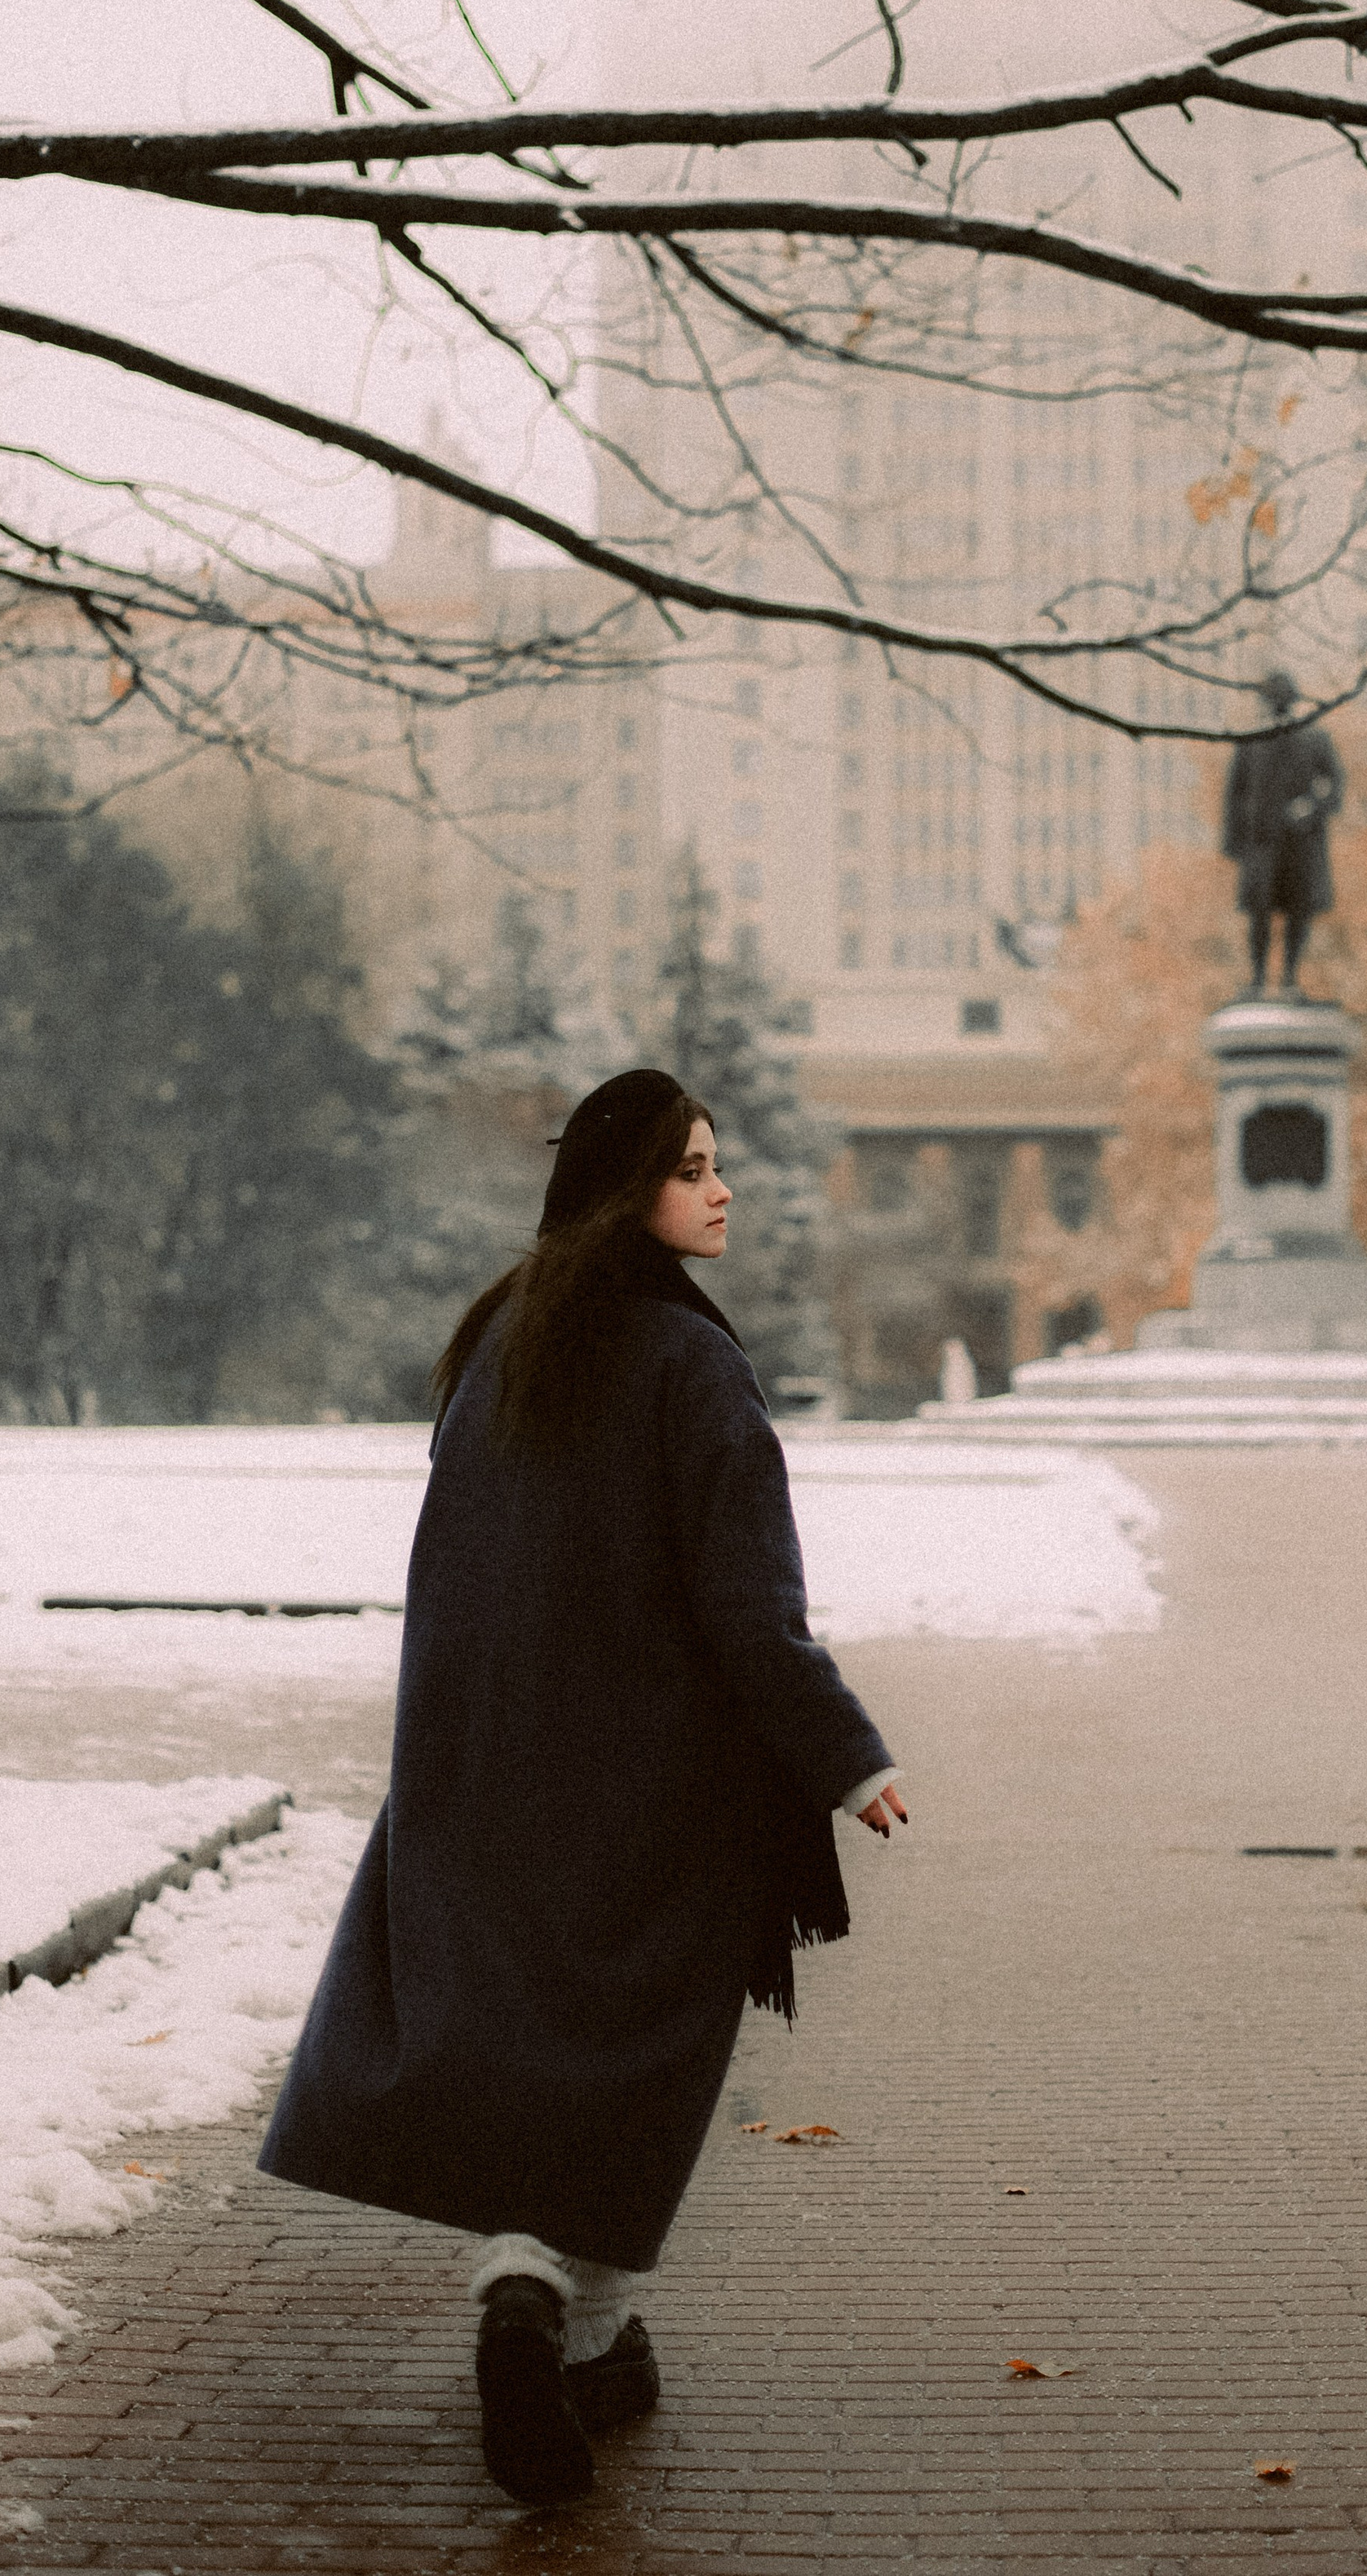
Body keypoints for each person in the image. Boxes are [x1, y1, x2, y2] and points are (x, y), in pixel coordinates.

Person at [257, 1070, 903, 2508]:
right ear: (626, 1191)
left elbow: (453, 1570)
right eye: (691, 1169)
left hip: (493, 1772)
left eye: (717, 1165)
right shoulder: (691, 1364)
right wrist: (847, 1755)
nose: (720, 1192)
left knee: (546, 2061)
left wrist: (446, 1760)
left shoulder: (507, 1333)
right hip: (657, 1794)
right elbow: (749, 1606)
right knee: (633, 2072)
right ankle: (556, 2308)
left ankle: (563, 2322)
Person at [1220, 669, 1347, 996]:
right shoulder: (1251, 740)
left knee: (1298, 910)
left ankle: (1290, 978)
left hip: (1300, 844)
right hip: (1261, 842)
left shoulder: (1314, 738)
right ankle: (1258, 980)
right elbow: (1235, 793)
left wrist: (1311, 807)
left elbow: (1335, 785)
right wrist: (1234, 844)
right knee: (1259, 912)